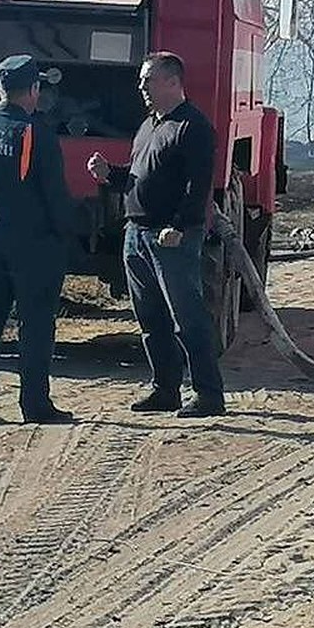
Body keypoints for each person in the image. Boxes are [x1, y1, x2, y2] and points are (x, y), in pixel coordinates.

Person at [87, 52, 225, 418]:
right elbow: (138, 176)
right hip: (137, 234)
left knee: (187, 317)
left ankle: (208, 394)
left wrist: (179, 226)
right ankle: (165, 389)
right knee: (151, 319)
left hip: (170, 237)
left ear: (172, 81)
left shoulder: (192, 127)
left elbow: (198, 187)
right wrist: (109, 175)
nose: (141, 88)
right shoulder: (150, 125)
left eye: (148, 80)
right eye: (142, 81)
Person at [0, 54, 75, 425]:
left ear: (0, 88)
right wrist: (67, 237)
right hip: (34, 246)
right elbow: (55, 197)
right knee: (35, 324)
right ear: (34, 90)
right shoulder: (38, 135)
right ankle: (34, 405)